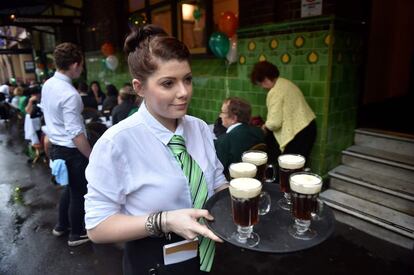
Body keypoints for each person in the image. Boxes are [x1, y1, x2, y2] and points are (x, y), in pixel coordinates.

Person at [84, 24, 227, 275]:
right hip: (154, 260)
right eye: (168, 83)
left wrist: (242, 200)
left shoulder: (200, 129)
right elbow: (97, 226)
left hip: (212, 250)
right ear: (139, 87)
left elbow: (216, 182)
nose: (183, 92)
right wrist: (165, 220)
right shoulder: (115, 144)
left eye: (188, 79)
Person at [41, 42, 92, 246]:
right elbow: (76, 134)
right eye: (81, 65)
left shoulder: (48, 84)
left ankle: (62, 226)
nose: (81, 69)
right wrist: (91, 155)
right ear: (74, 65)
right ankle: (76, 234)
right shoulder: (70, 94)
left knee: (69, 189)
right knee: (79, 192)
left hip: (55, 147)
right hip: (71, 151)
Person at [250, 61, 317, 164]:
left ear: (266, 79)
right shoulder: (285, 83)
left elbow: (274, 123)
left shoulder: (275, 91)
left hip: (298, 133)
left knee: (289, 167)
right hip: (309, 127)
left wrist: (264, 127)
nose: (263, 87)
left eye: (261, 83)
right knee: (299, 165)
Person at [214, 97, 264, 177]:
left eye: (222, 112)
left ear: (233, 118)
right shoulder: (259, 132)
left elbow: (218, 174)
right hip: (256, 178)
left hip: (233, 184)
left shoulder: (224, 141)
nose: (220, 116)